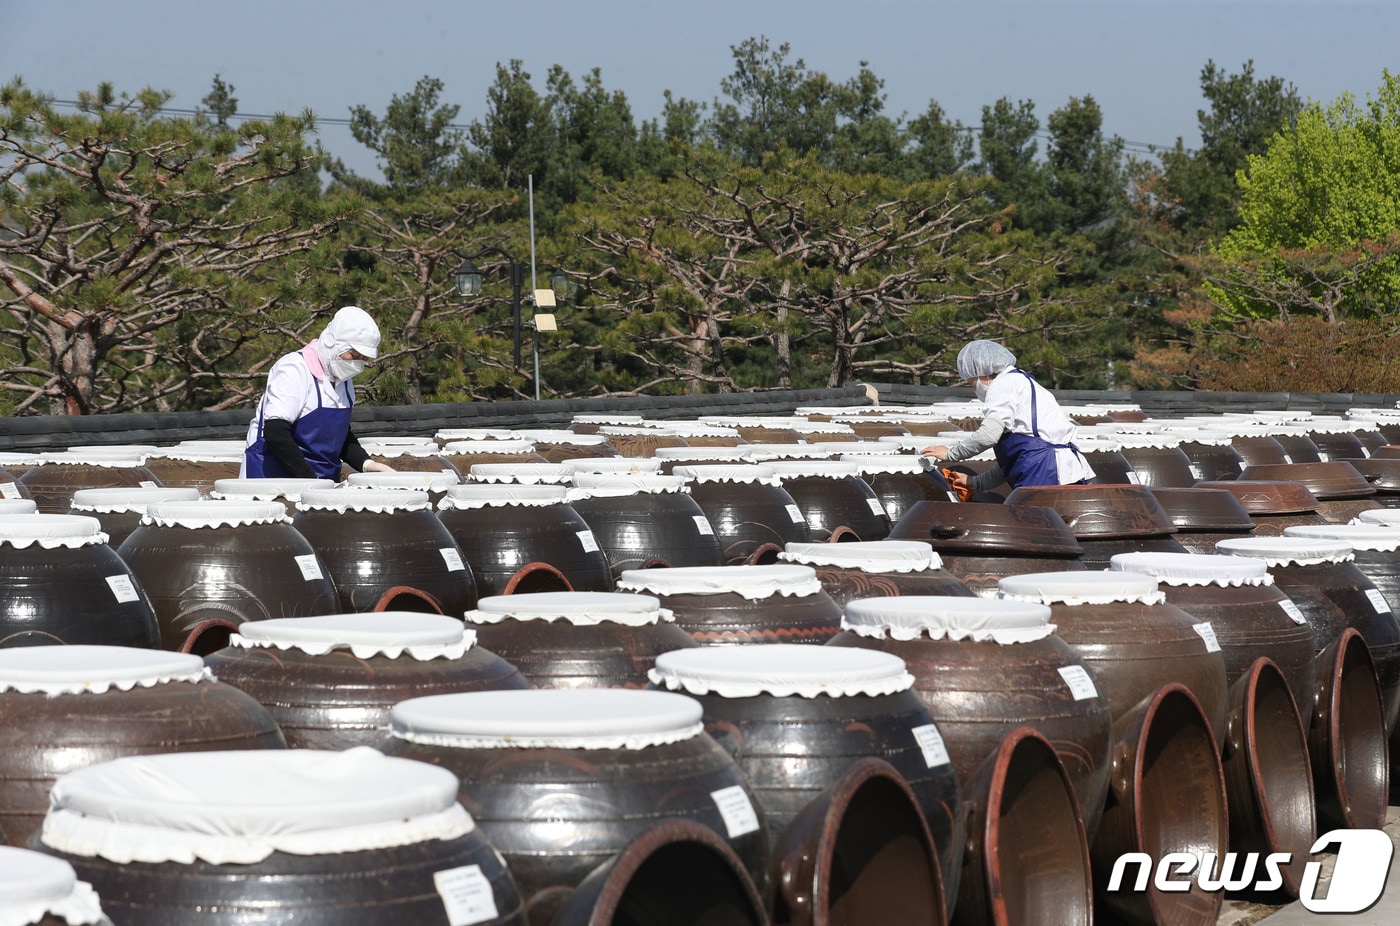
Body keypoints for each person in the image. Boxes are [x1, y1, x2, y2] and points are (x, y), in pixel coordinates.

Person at [921, 339, 1093, 499]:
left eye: (971, 381)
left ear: (982, 373)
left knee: (1036, 528)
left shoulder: (1002, 385)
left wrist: (951, 453)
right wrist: (976, 482)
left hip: (1044, 473)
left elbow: (988, 435)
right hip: (1065, 471)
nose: (973, 387)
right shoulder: (1024, 382)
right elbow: (1015, 460)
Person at [242, 306, 396, 479]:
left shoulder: (343, 380)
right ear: (332, 342)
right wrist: (309, 480)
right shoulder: (294, 369)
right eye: (354, 355)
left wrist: (367, 464)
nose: (358, 364)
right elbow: (276, 433)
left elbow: (338, 437)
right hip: (271, 478)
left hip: (319, 482)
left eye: (364, 359)